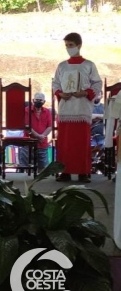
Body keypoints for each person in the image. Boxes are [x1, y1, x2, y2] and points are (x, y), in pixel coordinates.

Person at [53, 32, 102, 183]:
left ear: (79, 45)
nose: (68, 48)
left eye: (71, 45)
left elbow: (97, 83)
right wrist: (60, 93)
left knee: (81, 141)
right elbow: (55, 83)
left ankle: (83, 172)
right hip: (66, 108)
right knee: (65, 142)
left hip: (81, 108)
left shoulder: (89, 65)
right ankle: (65, 172)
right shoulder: (62, 65)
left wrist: (86, 92)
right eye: (67, 45)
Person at [17, 92, 53, 171]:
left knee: (42, 167)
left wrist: (42, 136)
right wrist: (38, 136)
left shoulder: (47, 112)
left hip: (42, 143)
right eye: (37, 100)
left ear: (44, 101)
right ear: (33, 100)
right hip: (28, 142)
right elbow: (26, 126)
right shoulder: (26, 110)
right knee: (25, 166)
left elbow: (50, 126)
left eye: (40, 100)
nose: (38, 102)